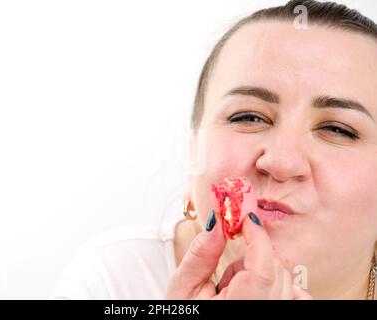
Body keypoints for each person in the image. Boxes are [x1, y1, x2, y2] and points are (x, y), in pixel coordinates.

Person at [50, 0, 377, 300]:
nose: (280, 161)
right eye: (248, 117)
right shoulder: (111, 280)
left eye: (338, 130)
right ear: (194, 152)